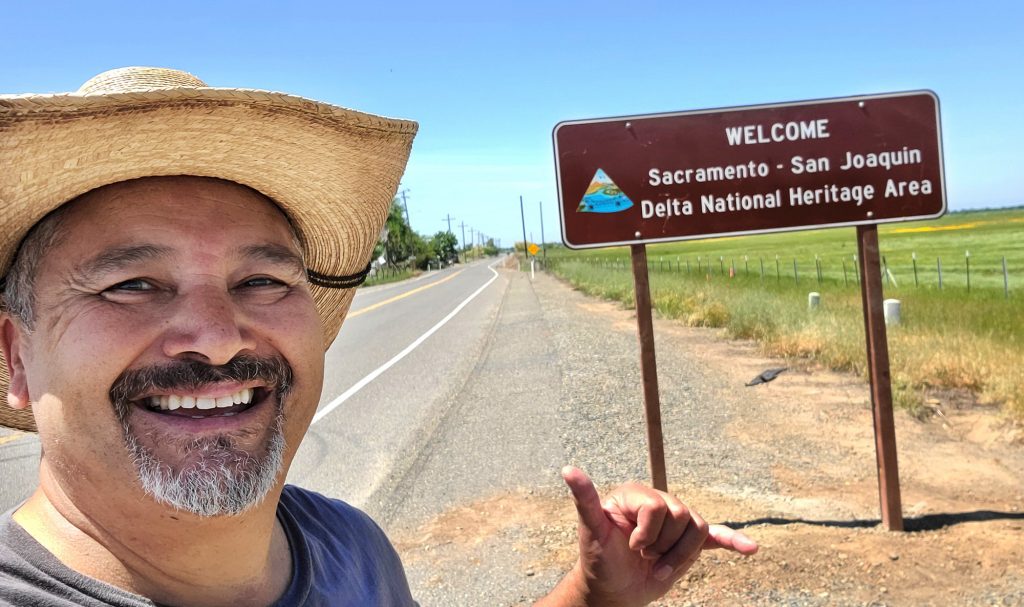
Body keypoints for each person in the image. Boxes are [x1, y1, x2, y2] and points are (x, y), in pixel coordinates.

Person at [0, 67, 757, 606]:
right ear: (13, 358)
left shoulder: (344, 544)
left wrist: (591, 596)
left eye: (263, 280)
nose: (220, 338)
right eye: (131, 285)